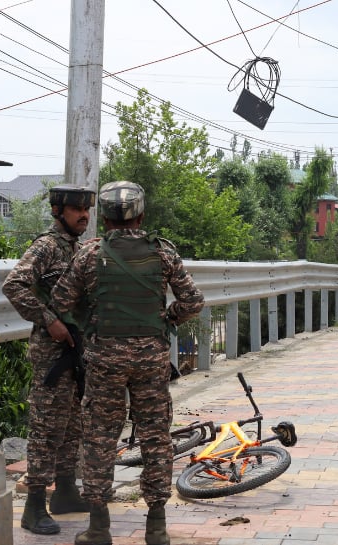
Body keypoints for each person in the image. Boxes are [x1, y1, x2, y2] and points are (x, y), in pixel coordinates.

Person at [51, 181, 204, 545]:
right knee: (155, 436)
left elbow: (60, 299)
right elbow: (193, 301)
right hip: (151, 358)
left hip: (105, 357)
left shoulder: (88, 255)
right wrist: (166, 319)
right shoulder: (163, 254)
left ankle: (100, 527)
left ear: (103, 219)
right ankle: (156, 526)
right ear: (141, 216)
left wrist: (93, 315)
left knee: (100, 436)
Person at [3, 185, 96, 535]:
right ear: (59, 212)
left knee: (73, 424)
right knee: (46, 429)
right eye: (75, 210)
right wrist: (48, 319)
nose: (83, 215)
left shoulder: (78, 248)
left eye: (86, 209)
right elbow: (14, 286)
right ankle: (33, 506)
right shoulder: (46, 246)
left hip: (76, 350)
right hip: (51, 354)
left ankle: (66, 493)